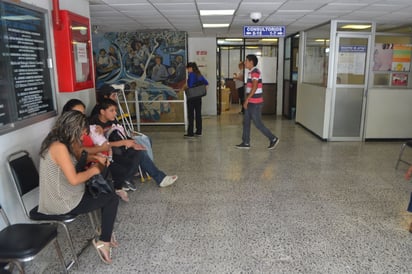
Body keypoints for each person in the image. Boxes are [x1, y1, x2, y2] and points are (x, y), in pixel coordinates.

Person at [38, 110, 119, 264]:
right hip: (61, 201)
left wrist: (94, 158)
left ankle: (104, 230)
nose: (83, 137)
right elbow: (74, 179)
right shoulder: (59, 147)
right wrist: (95, 169)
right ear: (73, 130)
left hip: (66, 193)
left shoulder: (59, 141)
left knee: (105, 189)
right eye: (82, 133)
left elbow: (73, 162)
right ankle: (104, 241)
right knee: (111, 198)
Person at [89, 98, 178, 187]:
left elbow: (123, 135)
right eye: (111, 111)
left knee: (140, 150)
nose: (115, 113)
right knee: (139, 154)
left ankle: (157, 178)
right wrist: (124, 143)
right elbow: (102, 146)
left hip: (120, 149)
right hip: (107, 154)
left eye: (115, 110)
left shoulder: (113, 121)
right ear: (102, 112)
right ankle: (129, 179)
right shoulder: (93, 124)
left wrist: (133, 144)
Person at [62, 99, 130, 202]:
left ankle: (116, 187)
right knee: (115, 170)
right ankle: (112, 190)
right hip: (81, 167)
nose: (81, 117)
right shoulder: (67, 133)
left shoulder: (86, 126)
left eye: (83, 114)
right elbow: (79, 153)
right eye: (77, 114)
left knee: (127, 161)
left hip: (93, 158)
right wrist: (99, 153)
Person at [236, 54, 279, 150]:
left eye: (246, 61)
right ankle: (246, 142)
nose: (245, 62)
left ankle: (273, 138)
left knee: (258, 123)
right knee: (246, 121)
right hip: (251, 101)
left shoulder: (255, 72)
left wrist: (246, 100)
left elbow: (254, 87)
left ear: (251, 62)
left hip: (255, 103)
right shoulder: (251, 72)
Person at [184, 62, 209, 138]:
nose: (187, 70)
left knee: (191, 115)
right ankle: (199, 131)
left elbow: (190, 85)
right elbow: (206, 83)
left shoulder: (191, 75)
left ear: (191, 68)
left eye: (188, 68)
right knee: (198, 114)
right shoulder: (199, 74)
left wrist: (186, 86)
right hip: (198, 97)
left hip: (191, 97)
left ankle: (190, 132)